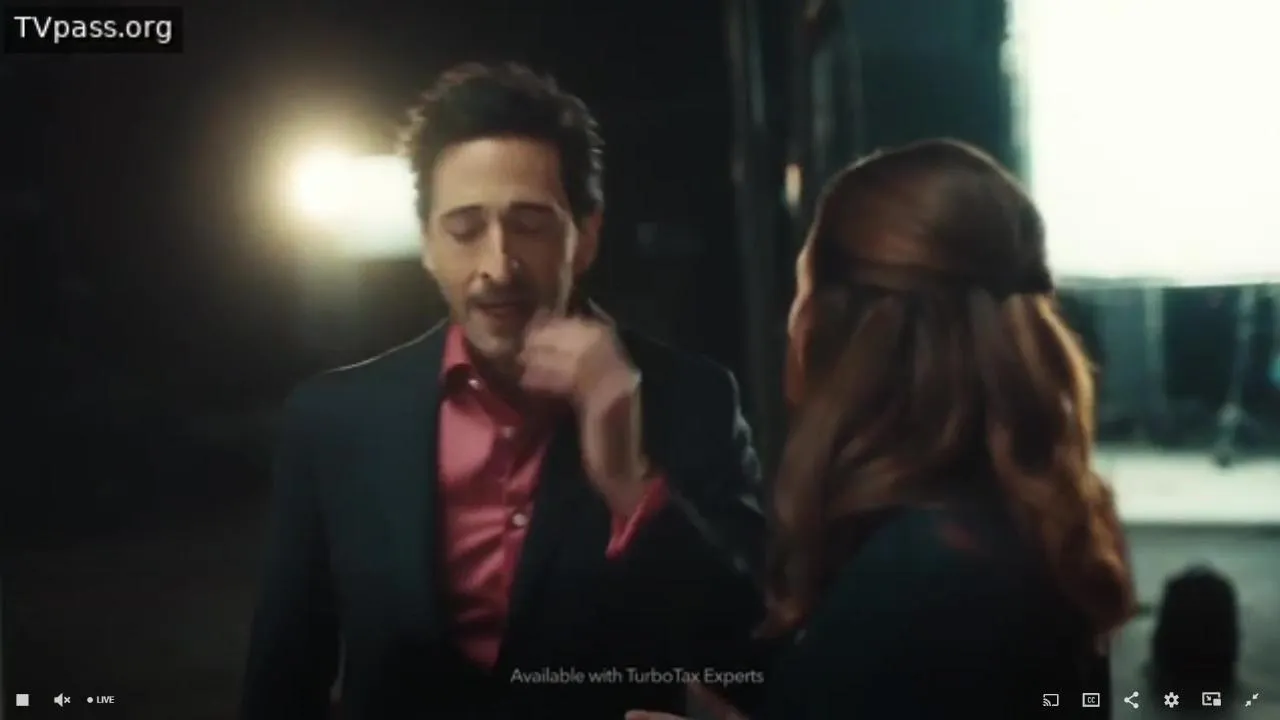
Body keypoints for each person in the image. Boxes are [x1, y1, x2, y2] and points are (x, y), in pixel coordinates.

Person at [240, 63, 767, 720]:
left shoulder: (691, 401)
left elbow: (749, 664)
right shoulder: (335, 421)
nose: (498, 266)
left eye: (531, 224)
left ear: (586, 237)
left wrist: (630, 480)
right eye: (465, 230)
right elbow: (283, 679)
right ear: (427, 244)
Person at [629, 139, 1136, 720]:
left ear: (841, 329)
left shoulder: (922, 573)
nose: (790, 320)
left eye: (800, 286)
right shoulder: (999, 531)